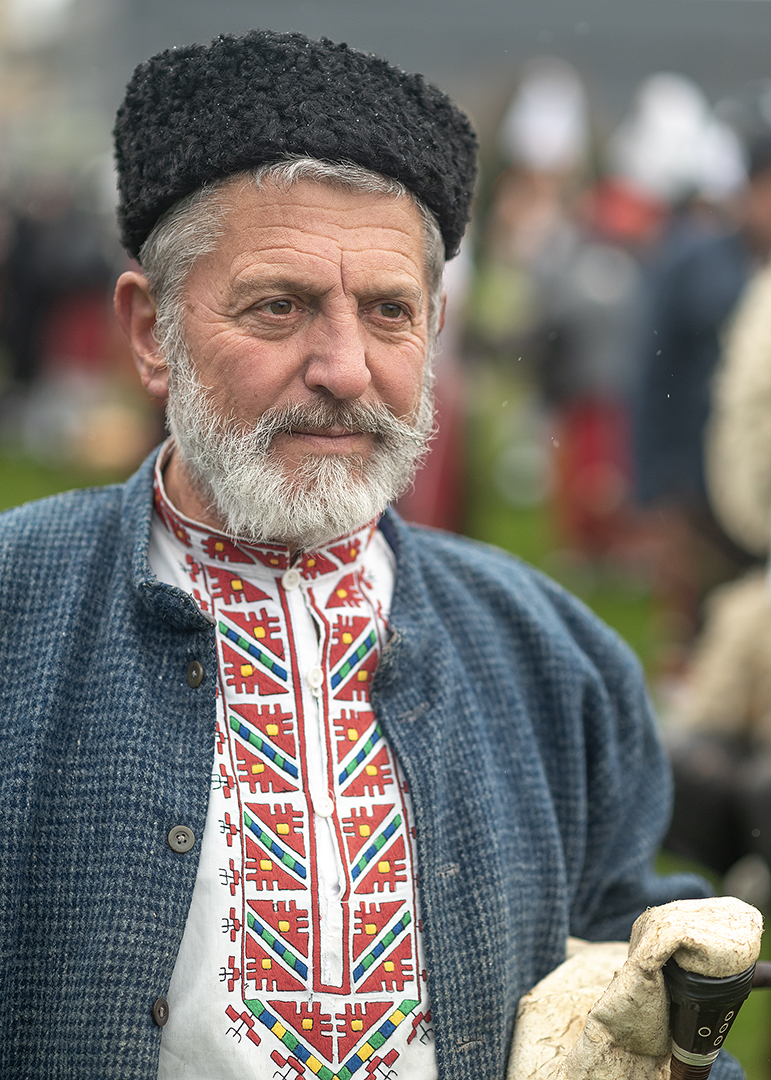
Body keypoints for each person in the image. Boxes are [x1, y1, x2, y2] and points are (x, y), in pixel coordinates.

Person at [0, 30, 753, 1080]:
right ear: (149, 330)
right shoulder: (17, 613)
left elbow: (634, 980)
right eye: (280, 306)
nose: (346, 369)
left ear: (434, 327)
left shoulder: (559, 658)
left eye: (390, 313)